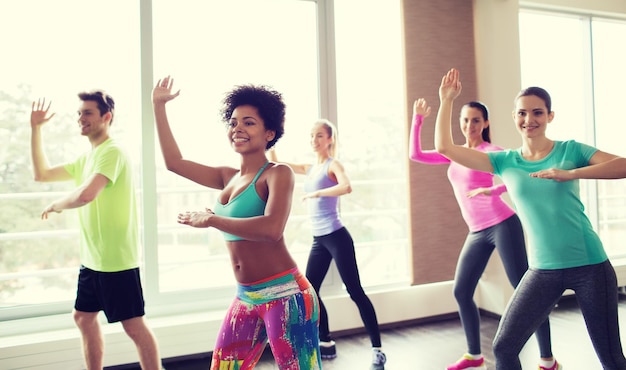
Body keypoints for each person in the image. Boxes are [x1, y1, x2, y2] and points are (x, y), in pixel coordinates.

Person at [434, 68, 626, 370]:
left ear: (550, 116)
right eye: (522, 113)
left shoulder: (570, 150)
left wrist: (571, 173)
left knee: (611, 359)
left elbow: (623, 165)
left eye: (538, 112)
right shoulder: (503, 161)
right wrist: (446, 100)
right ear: (514, 117)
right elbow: (445, 148)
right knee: (504, 347)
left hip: (590, 266)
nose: (529, 120)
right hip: (543, 270)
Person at [152, 76, 321, 370]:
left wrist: (213, 219)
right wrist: (158, 106)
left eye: (248, 122)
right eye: (232, 122)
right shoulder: (226, 176)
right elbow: (173, 162)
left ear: (269, 133)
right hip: (246, 296)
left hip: (287, 295)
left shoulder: (278, 173)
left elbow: (271, 230)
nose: (237, 128)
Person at [409, 98, 556, 369]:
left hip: (502, 223)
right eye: (465, 120)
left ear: (485, 123)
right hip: (477, 230)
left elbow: (521, 174)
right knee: (462, 290)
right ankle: (474, 355)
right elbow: (416, 155)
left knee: (525, 291)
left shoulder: (490, 151)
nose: (469, 125)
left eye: (475, 120)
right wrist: (417, 119)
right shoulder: (454, 152)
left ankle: (547, 359)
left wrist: (493, 190)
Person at [30, 93, 162, 370]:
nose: (81, 118)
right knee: (83, 317)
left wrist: (57, 204)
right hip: (92, 260)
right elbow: (41, 174)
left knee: (134, 326)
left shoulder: (111, 152)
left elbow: (87, 194)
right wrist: (36, 128)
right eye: (79, 113)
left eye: (88, 113)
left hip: (115, 260)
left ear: (106, 117)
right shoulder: (86, 159)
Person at [268, 119, 387, 370]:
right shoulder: (311, 167)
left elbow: (347, 186)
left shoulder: (334, 165)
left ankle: (377, 349)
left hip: (337, 236)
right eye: (312, 135)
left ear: (330, 139)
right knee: (310, 292)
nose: (315, 140)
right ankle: (326, 340)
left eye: (320, 135)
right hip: (318, 240)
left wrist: (317, 193)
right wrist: (271, 137)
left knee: (355, 291)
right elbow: (278, 163)